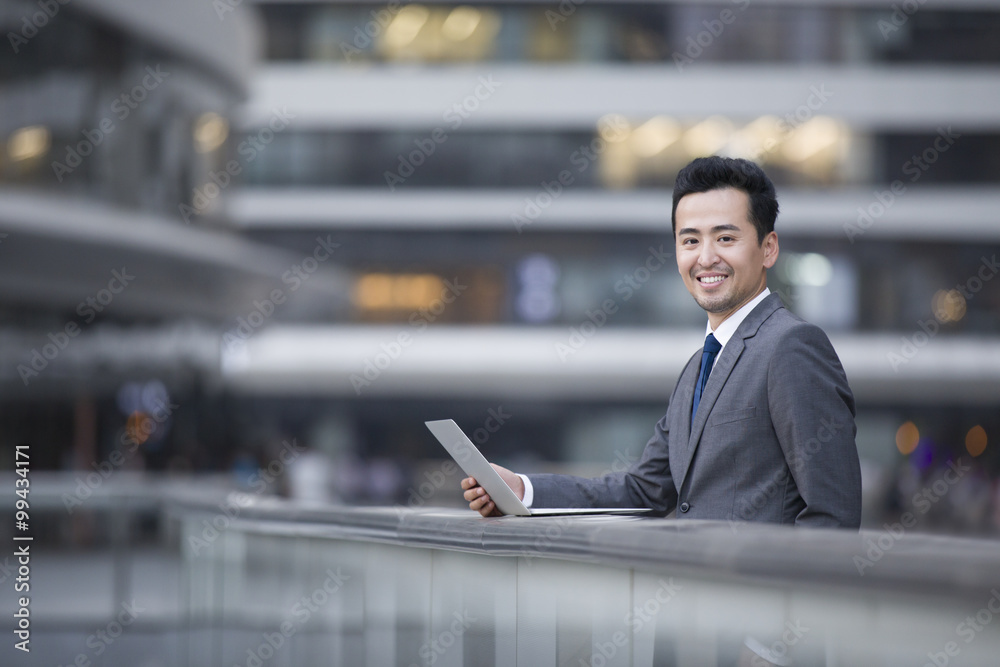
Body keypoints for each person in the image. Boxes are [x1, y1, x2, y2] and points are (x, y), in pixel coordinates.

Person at [462, 156, 862, 528]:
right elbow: (644, 491)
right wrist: (523, 489)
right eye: (690, 241)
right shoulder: (698, 368)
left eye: (725, 238)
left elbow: (833, 514)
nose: (705, 258)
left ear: (768, 248)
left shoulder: (793, 347)